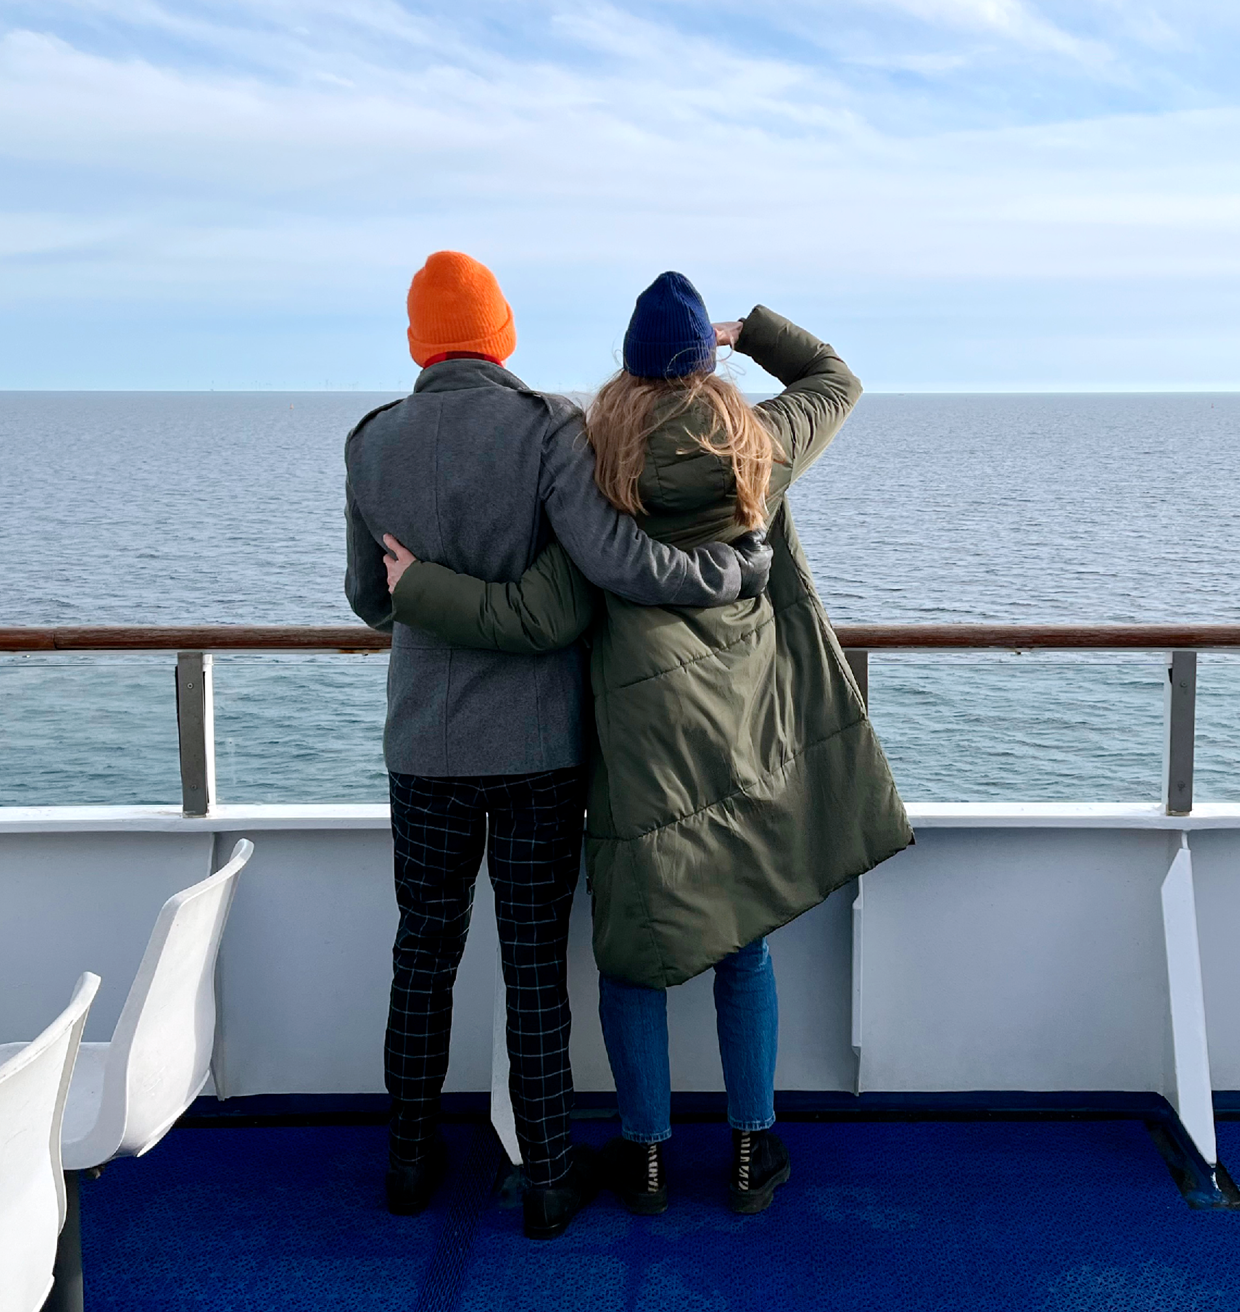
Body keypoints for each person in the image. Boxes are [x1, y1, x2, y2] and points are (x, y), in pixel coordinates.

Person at [384, 271, 912, 1216]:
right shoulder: (761, 446)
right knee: (742, 944)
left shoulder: (597, 456)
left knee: (636, 949)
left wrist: (419, 585)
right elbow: (837, 379)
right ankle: (752, 1154)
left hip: (635, 738)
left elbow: (545, 603)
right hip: (745, 728)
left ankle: (646, 1160)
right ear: (708, 362)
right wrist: (752, 330)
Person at [344, 253, 772, 1241]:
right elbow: (614, 562)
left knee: (424, 956)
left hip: (423, 747)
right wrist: (731, 572)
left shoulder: (372, 444)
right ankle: (547, 1179)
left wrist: (427, 583)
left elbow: (373, 600)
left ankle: (408, 1163)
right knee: (534, 965)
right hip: (538, 748)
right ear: (503, 335)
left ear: (420, 339)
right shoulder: (545, 431)